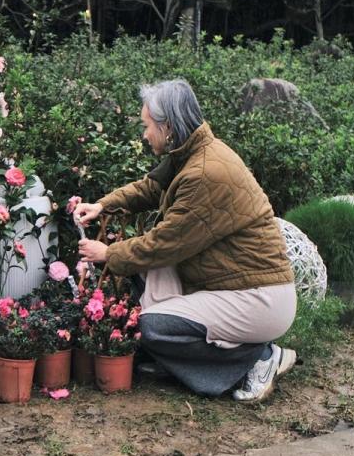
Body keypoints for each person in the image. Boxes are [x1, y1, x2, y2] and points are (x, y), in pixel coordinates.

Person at [75, 79, 297, 403]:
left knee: (151, 326)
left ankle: (260, 358)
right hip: (232, 282)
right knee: (141, 279)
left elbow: (164, 243)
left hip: (259, 297)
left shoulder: (206, 172)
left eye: (147, 126)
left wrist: (108, 252)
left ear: (167, 127)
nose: (144, 134)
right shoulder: (190, 152)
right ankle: (184, 362)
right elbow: (150, 188)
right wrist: (103, 205)